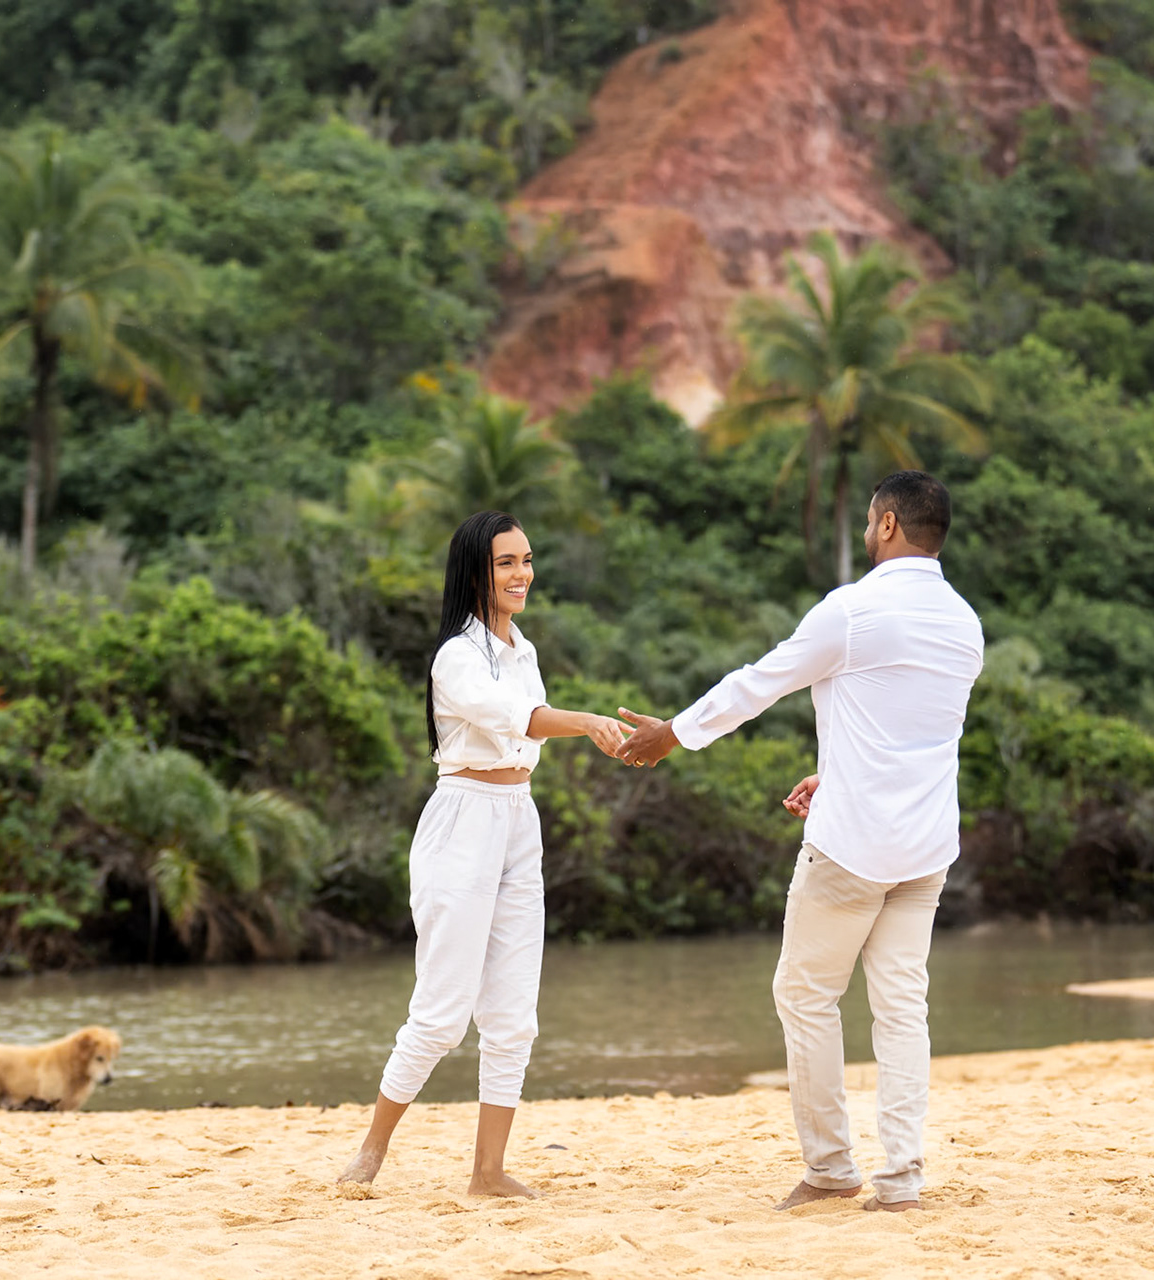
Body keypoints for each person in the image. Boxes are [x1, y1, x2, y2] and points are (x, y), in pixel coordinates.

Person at [618, 470, 984, 1213]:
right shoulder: (965, 622)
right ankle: (904, 1179)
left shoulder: (853, 611)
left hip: (851, 849)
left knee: (806, 994)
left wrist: (674, 735)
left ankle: (829, 1169)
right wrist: (833, 774)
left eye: (870, 521)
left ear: (885, 525)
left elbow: (762, 681)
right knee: (901, 1007)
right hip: (925, 849)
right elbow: (916, 733)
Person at [338, 510, 632, 1197]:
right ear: (477, 571)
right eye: (507, 563)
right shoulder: (455, 656)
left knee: (514, 1016)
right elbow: (517, 718)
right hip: (462, 824)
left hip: (517, 822)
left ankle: (488, 1172)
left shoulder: (522, 650)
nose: (523, 573)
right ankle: (372, 1150)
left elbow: (526, 725)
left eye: (527, 560)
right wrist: (587, 721)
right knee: (441, 1013)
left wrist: (595, 728)